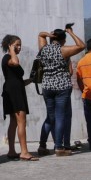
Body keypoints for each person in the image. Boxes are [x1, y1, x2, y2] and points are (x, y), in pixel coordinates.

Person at [36, 26, 85, 156]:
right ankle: (59, 147)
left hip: (47, 86)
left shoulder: (44, 49)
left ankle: (42, 145)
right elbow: (81, 45)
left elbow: (41, 35)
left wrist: (48, 34)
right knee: (60, 117)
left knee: (50, 117)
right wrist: (71, 32)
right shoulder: (63, 50)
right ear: (63, 40)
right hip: (62, 87)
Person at [1, 34, 37, 161]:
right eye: (17, 44)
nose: (19, 47)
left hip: (14, 90)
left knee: (14, 122)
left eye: (20, 45)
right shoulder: (7, 58)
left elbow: (17, 79)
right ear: (10, 45)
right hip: (14, 93)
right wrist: (11, 50)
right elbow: (15, 62)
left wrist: (31, 80)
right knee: (21, 122)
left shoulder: (9, 58)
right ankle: (24, 152)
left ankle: (12, 151)